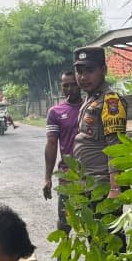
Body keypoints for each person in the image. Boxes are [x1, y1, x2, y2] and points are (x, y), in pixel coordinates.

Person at [70, 46, 131, 261]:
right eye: (79, 71)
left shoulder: (110, 101)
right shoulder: (90, 100)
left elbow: (116, 148)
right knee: (101, 249)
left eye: (89, 70)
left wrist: (116, 190)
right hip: (91, 188)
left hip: (106, 190)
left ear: (103, 71)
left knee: (115, 252)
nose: (83, 76)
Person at [42, 69, 83, 233]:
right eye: (66, 85)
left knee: (93, 224)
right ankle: (63, 256)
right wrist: (47, 178)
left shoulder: (92, 107)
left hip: (93, 174)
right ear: (61, 87)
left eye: (73, 85)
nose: (70, 89)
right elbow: (51, 144)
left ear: (79, 84)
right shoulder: (55, 112)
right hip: (68, 176)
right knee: (65, 221)